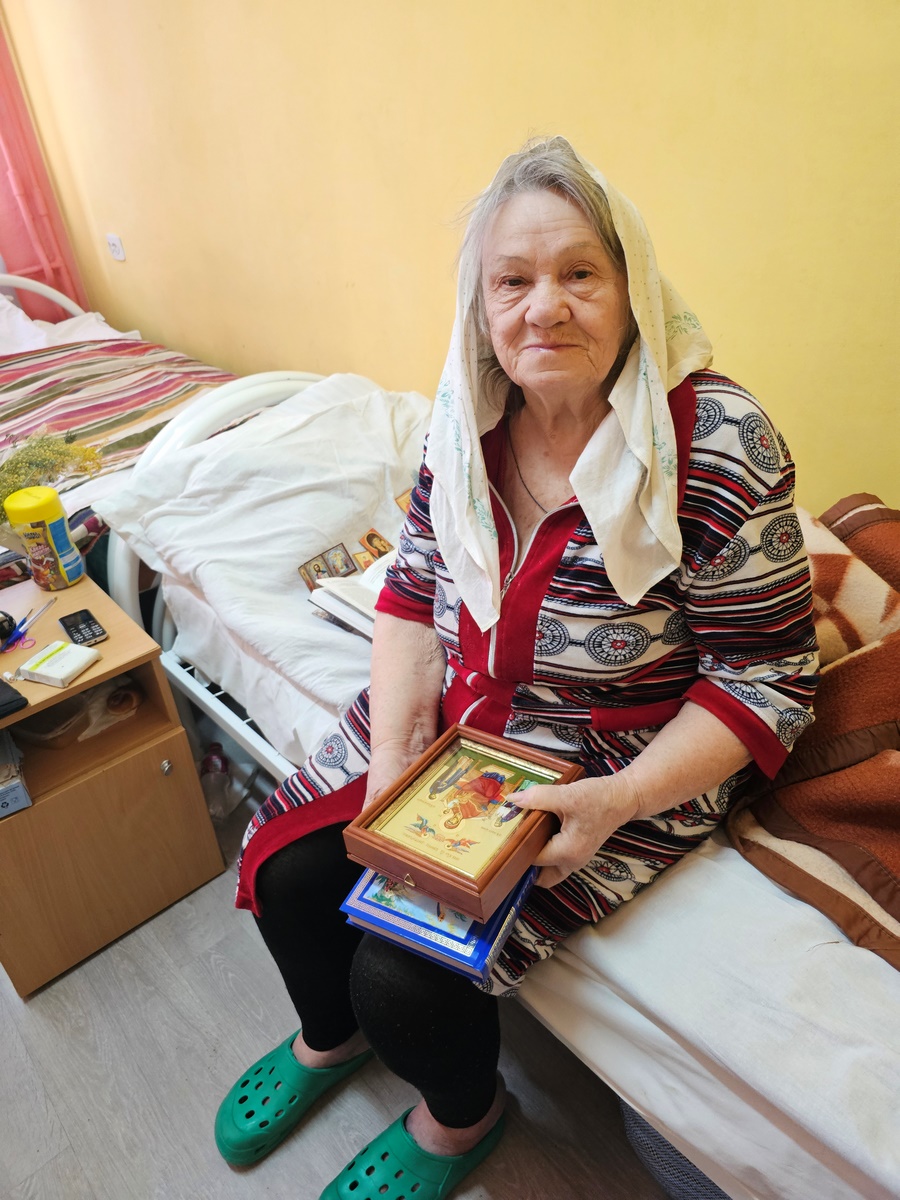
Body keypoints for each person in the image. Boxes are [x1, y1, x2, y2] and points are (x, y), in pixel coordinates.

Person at [215, 137, 818, 1198]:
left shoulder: (718, 441)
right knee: (290, 873)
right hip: (453, 716)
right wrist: (394, 765)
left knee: (402, 972)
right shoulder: (467, 418)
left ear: (633, 288)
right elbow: (412, 591)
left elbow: (765, 674)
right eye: (513, 282)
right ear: (481, 304)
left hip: (612, 758)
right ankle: (328, 1038)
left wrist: (618, 801)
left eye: (580, 273)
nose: (545, 308)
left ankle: (462, 1117)